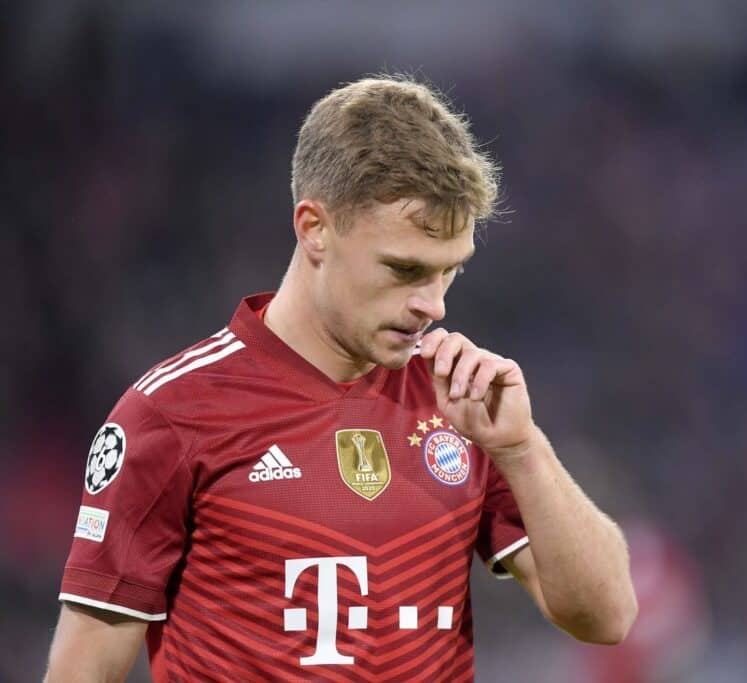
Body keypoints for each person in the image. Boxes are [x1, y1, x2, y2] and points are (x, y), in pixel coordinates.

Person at [45, 74, 637, 682]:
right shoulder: (172, 415)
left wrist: (521, 448)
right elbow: (83, 671)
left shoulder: (457, 400)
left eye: (449, 271)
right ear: (314, 229)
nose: (434, 305)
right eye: (404, 269)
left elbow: (607, 617)